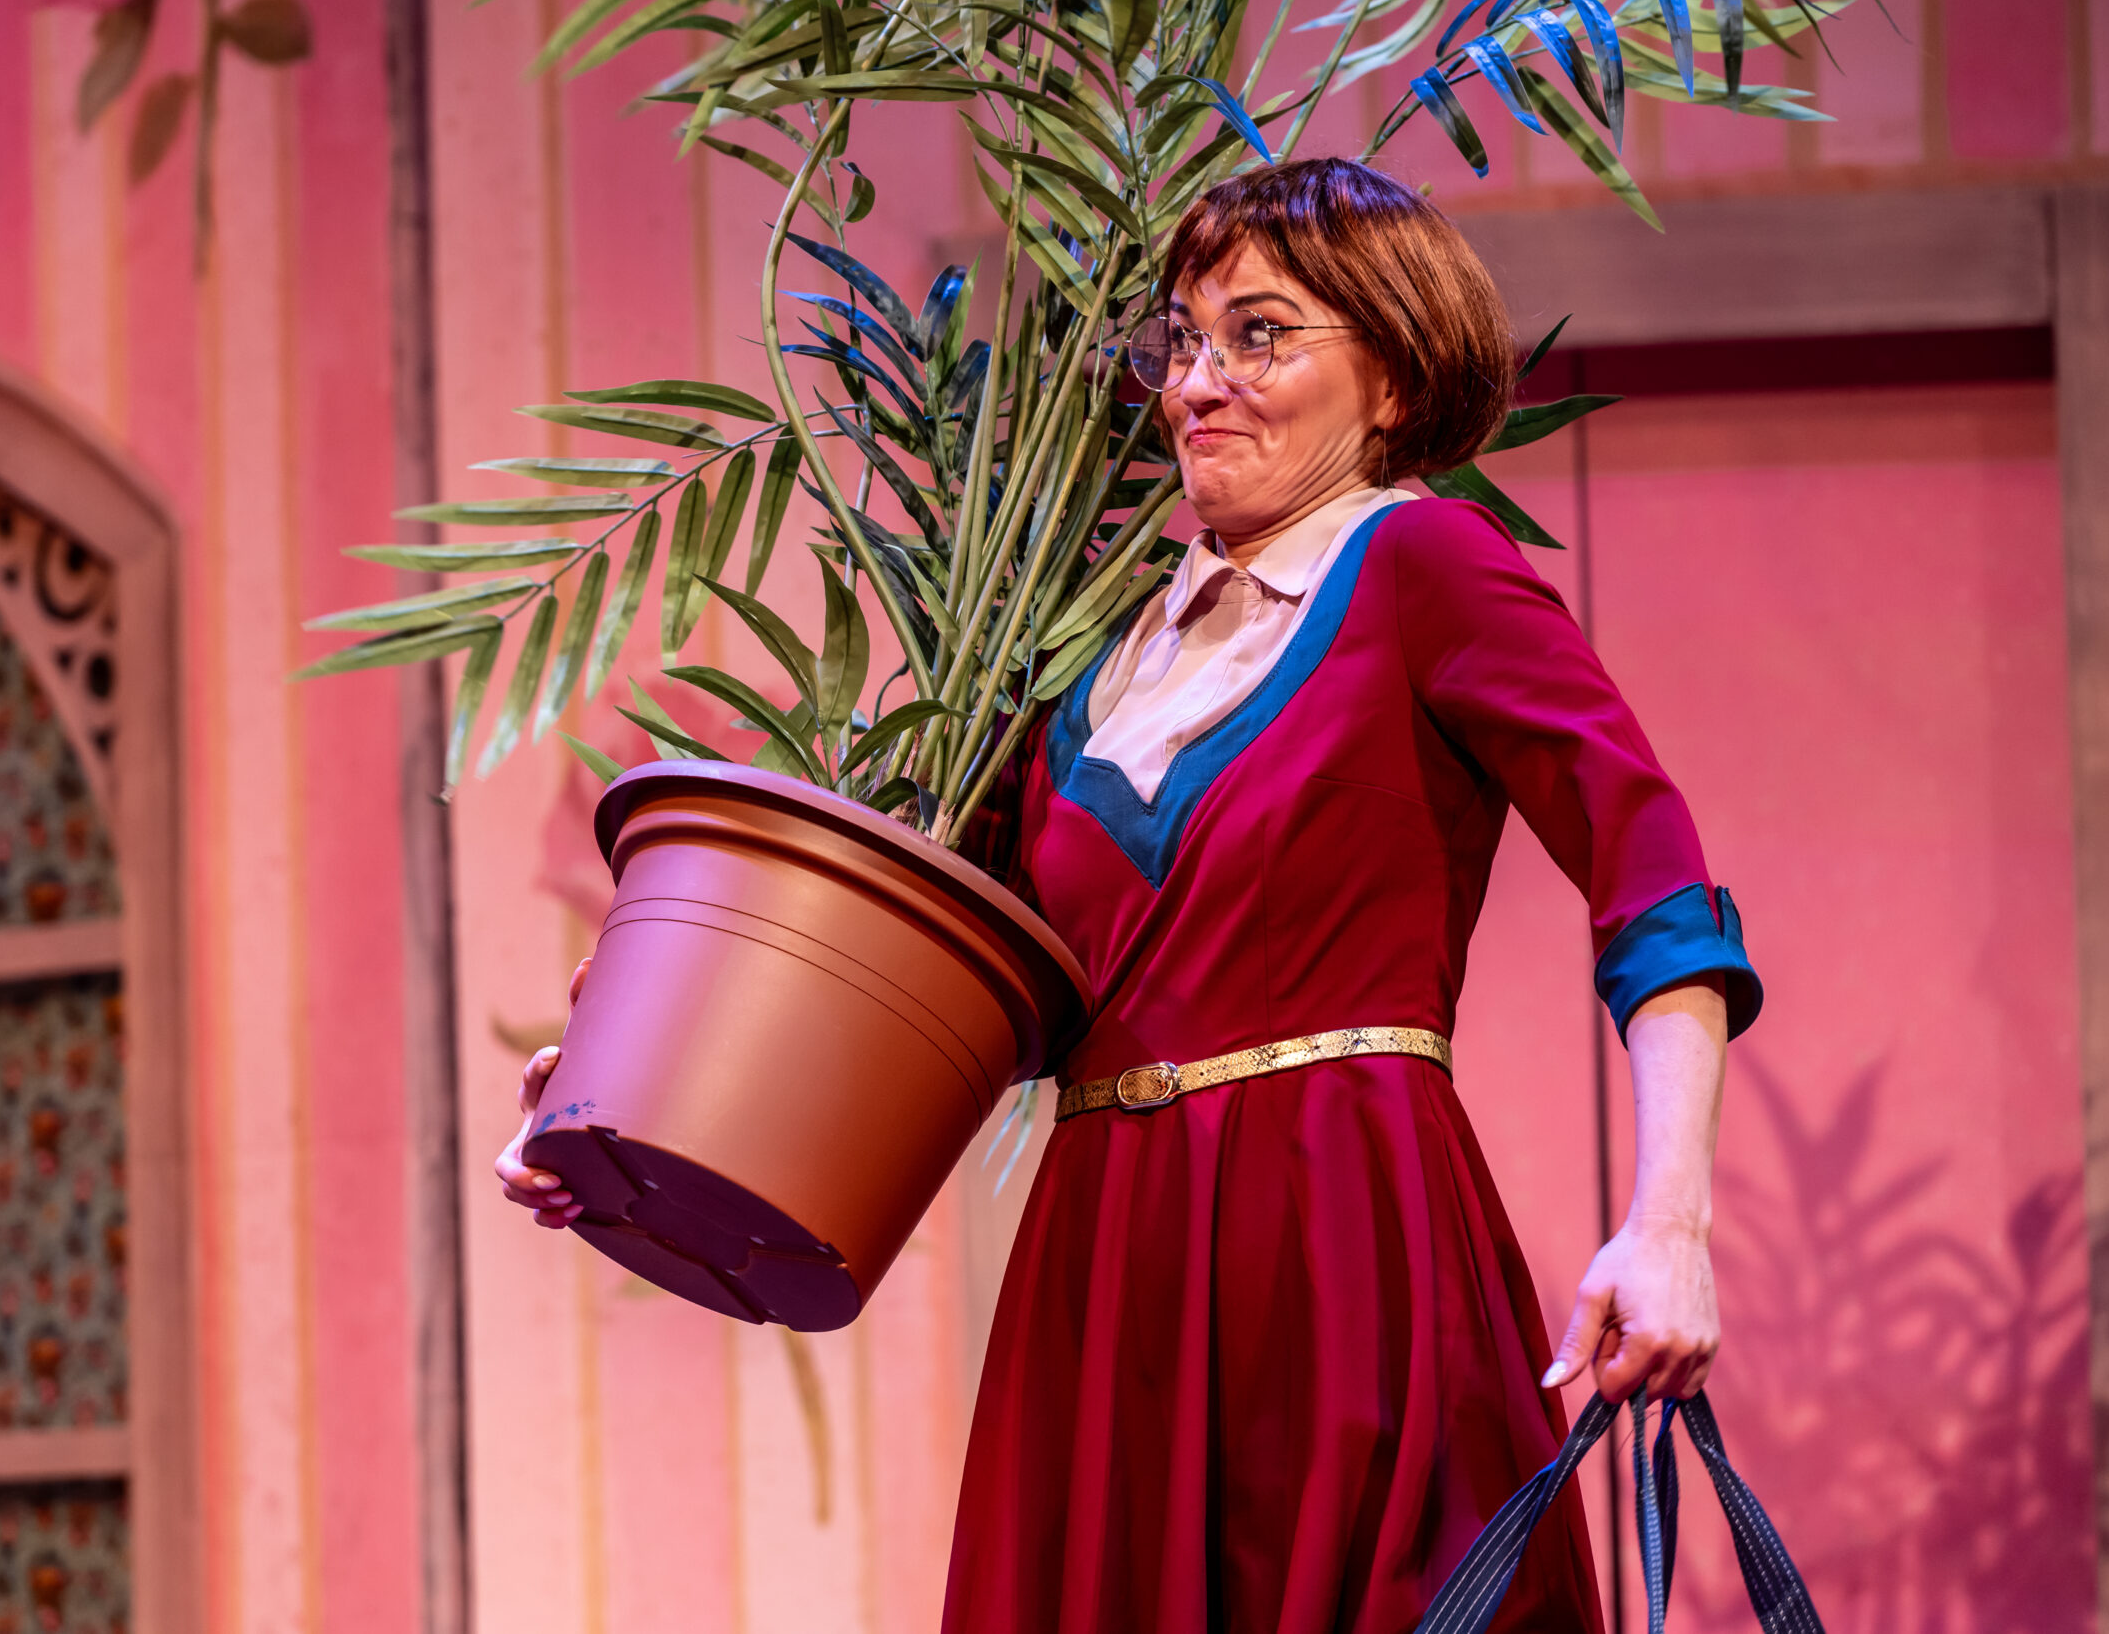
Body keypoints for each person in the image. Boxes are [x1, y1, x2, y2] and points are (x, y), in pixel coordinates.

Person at [498, 156, 1759, 1633]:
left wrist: (1670, 1224)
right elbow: (922, 986)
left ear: (1396, 378)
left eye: (1260, 336)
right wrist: (634, 1099)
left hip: (1339, 1233)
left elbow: (1653, 878)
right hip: (1105, 1268)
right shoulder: (1085, 660)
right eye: (1183, 340)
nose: (1197, 384)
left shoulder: (1422, 562)